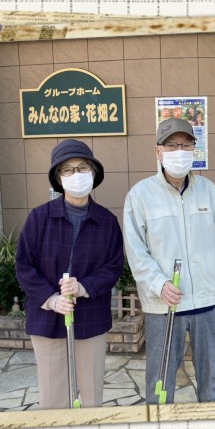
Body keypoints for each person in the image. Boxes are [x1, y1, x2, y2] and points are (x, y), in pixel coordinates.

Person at [123, 117, 215, 404]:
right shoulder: (140, 195)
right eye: (172, 145)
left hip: (206, 302)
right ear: (158, 151)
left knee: (211, 378)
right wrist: (158, 284)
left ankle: (210, 425)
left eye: (186, 145)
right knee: (161, 380)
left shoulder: (208, 191)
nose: (179, 151)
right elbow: (136, 251)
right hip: (164, 304)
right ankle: (160, 426)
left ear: (194, 150)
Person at [16, 139, 124, 409]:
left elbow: (113, 266)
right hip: (47, 319)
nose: (76, 174)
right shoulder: (39, 218)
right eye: (67, 169)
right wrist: (51, 299)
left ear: (93, 173)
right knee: (54, 398)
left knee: (91, 397)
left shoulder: (107, 221)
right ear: (58, 177)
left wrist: (83, 287)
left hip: (91, 317)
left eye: (82, 167)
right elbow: (24, 266)